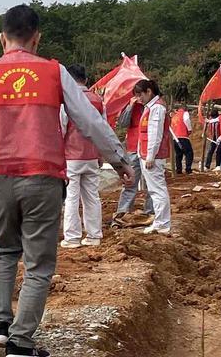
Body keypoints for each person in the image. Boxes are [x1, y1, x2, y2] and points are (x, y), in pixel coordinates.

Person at [0, 4, 133, 357]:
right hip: (42, 177)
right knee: (39, 263)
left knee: (3, 249)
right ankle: (22, 342)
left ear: (2, 38)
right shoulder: (53, 71)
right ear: (37, 37)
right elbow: (88, 121)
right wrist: (119, 160)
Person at [61, 63, 105, 249]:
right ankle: (94, 235)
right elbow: (103, 130)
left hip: (72, 154)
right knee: (92, 196)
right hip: (92, 154)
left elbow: (61, 128)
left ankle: (72, 237)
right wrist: (101, 153)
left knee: (72, 196)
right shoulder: (98, 100)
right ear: (86, 79)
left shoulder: (67, 100)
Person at [131, 78, 171, 236]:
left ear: (149, 92)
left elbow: (155, 134)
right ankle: (161, 221)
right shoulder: (151, 107)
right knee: (155, 190)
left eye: (140, 95)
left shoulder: (157, 108)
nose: (138, 98)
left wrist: (150, 156)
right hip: (147, 154)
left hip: (152, 156)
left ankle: (162, 223)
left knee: (157, 190)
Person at [111, 94, 154, 228]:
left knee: (150, 184)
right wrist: (130, 106)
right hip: (133, 148)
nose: (140, 97)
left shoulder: (154, 107)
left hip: (148, 149)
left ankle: (150, 212)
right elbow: (123, 123)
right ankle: (122, 213)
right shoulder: (131, 106)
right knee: (130, 182)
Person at [169, 103, 193, 174]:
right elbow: (187, 120)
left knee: (179, 154)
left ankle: (178, 170)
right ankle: (188, 169)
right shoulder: (185, 113)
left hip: (175, 138)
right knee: (189, 153)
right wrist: (189, 129)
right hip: (183, 137)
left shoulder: (174, 116)